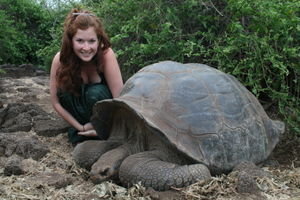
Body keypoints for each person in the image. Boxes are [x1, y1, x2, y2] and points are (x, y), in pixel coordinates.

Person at [50, 8, 123, 145]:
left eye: (91, 41)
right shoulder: (60, 60)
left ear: (99, 40)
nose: (86, 47)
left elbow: (120, 100)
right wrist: (80, 127)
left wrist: (105, 128)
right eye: (80, 41)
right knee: (64, 92)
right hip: (79, 124)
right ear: (71, 41)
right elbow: (55, 102)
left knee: (95, 93)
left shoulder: (106, 55)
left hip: (107, 121)